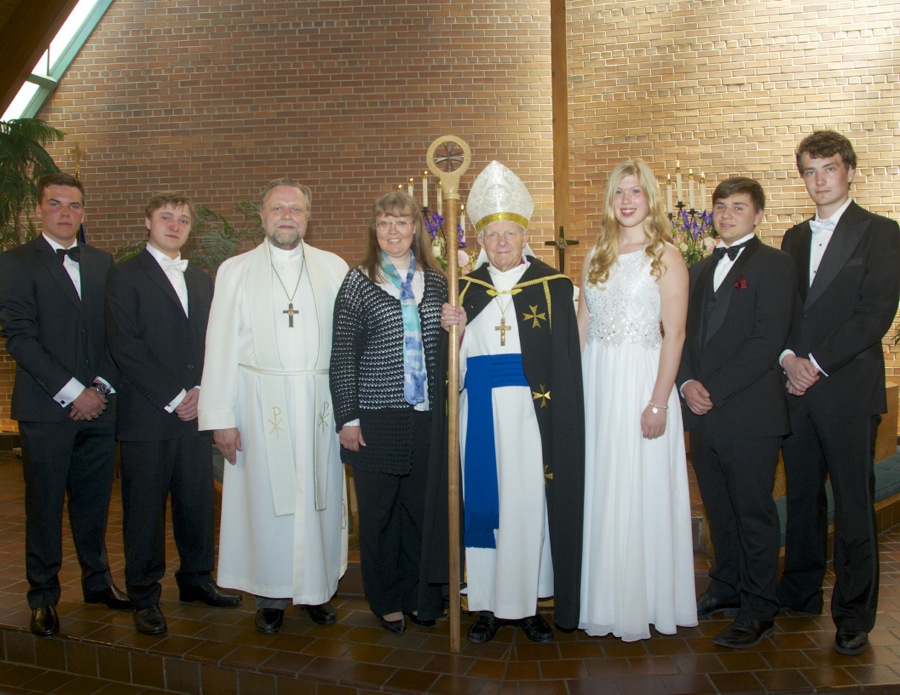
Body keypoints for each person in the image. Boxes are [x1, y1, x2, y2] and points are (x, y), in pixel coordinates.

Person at [440, 161, 585, 644]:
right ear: (479, 240)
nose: (501, 242)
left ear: (526, 235)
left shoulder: (554, 287)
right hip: (478, 413)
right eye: (492, 234)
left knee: (526, 508)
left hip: (530, 417)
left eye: (511, 233)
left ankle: (525, 608)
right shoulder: (464, 292)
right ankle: (483, 604)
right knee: (483, 505)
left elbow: (568, 362)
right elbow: (450, 371)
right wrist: (449, 333)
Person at [198, 178, 349, 635]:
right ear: (263, 216)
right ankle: (269, 596)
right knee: (267, 504)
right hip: (260, 407)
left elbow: (347, 346)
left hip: (320, 405)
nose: (287, 216)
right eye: (278, 208)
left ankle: (316, 592)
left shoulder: (333, 267)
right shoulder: (235, 270)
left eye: (296, 209)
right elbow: (219, 346)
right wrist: (220, 418)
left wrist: (351, 412)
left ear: (308, 216)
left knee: (319, 503)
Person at [776, 130, 900, 655]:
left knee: (852, 502)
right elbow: (781, 312)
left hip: (846, 387)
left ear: (850, 171)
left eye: (828, 168)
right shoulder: (792, 238)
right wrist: (787, 360)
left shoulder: (881, 232)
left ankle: (853, 613)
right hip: (795, 389)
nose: (819, 180)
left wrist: (816, 364)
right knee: (802, 497)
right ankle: (800, 592)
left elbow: (875, 314)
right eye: (809, 171)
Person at [0, 172, 131, 637]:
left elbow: (114, 334)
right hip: (46, 409)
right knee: (44, 505)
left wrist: (99, 388)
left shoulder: (102, 261)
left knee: (95, 504)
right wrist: (75, 392)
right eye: (55, 204)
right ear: (39, 210)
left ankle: (98, 583)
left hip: (100, 406)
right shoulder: (15, 263)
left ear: (84, 212)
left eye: (74, 205)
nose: (65, 213)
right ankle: (43, 596)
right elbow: (20, 338)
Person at [105, 192, 242, 635]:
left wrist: (203, 390)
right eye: (166, 217)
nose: (174, 225)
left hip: (196, 410)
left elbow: (217, 341)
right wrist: (173, 394)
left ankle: (196, 579)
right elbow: (124, 345)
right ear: (148, 221)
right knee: (145, 509)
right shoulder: (123, 276)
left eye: (182, 219)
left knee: (197, 502)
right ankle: (144, 594)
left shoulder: (202, 280)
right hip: (148, 414)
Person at [577, 158, 696, 642]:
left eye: (636, 192)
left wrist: (659, 402)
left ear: (650, 199)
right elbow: (582, 325)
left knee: (638, 485)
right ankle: (601, 597)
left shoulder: (666, 256)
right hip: (597, 380)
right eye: (619, 192)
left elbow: (676, 333)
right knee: (602, 485)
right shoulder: (594, 255)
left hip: (642, 379)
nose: (627, 201)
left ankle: (644, 599)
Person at [677, 177, 797, 648]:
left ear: (758, 215)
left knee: (753, 513)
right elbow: (680, 332)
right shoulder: (699, 268)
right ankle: (725, 588)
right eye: (721, 207)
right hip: (702, 414)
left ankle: (759, 607)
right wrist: (686, 383)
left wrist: (713, 389)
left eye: (739, 207)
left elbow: (768, 340)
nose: (727, 215)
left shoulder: (777, 265)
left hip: (749, 414)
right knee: (719, 512)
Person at [330, 191, 447, 634]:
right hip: (377, 415)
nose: (392, 231)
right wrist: (348, 417)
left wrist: (453, 326)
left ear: (415, 228)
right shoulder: (359, 280)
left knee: (420, 511)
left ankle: (420, 596)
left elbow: (447, 351)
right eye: (384, 223)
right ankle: (386, 599)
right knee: (379, 515)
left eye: (401, 223)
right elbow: (342, 354)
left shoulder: (436, 281)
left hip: (425, 415)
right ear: (374, 231)